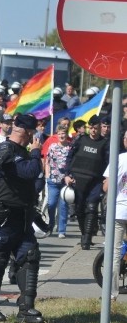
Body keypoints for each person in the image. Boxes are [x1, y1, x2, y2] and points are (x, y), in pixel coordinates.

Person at [0, 114, 45, 323]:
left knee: (30, 256)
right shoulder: (6, 150)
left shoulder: (20, 151)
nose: (33, 139)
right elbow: (29, 172)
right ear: (27, 133)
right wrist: (36, 152)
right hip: (4, 217)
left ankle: (26, 308)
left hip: (22, 215)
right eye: (32, 135)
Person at [64, 114, 109, 250]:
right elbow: (70, 157)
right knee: (79, 210)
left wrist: (107, 178)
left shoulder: (105, 143)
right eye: (91, 128)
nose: (93, 131)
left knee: (91, 208)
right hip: (78, 180)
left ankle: (87, 239)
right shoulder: (80, 140)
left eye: (95, 128)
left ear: (99, 128)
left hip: (95, 181)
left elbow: (108, 163)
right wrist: (67, 175)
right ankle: (84, 233)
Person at [103, 129, 127, 301]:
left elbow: (106, 187)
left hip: (118, 210)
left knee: (114, 253)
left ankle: (111, 294)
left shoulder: (117, 159)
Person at [45, 125, 72, 238]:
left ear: (67, 135)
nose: (61, 136)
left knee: (63, 206)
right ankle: (51, 225)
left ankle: (62, 230)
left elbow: (73, 163)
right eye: (59, 133)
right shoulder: (52, 147)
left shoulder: (70, 147)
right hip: (53, 179)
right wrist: (47, 175)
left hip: (65, 181)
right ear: (56, 135)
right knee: (51, 204)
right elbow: (47, 161)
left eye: (63, 133)